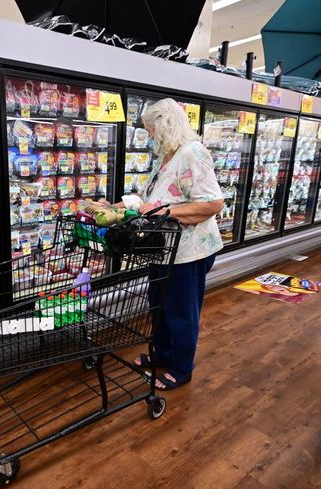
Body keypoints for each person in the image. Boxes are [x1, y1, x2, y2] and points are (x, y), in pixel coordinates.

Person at [107, 98, 224, 390]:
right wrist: (109, 208)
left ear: (165, 126)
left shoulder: (193, 153)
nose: (149, 136)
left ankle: (182, 368)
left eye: (150, 130)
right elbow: (147, 201)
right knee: (159, 306)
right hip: (163, 249)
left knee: (181, 311)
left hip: (189, 252)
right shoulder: (167, 158)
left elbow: (212, 203)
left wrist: (166, 212)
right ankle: (162, 354)